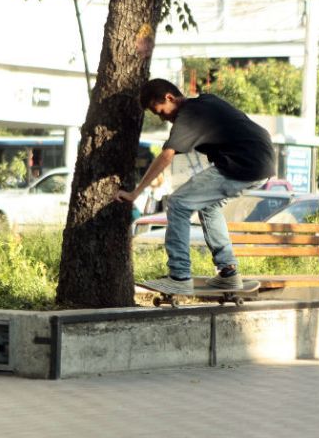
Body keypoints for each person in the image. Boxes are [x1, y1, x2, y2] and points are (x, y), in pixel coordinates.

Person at [115, 78, 275, 294]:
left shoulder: (188, 116)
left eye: (160, 111)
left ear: (170, 98)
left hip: (244, 163)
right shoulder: (206, 102)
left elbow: (166, 155)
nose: (163, 118)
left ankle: (179, 276)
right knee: (209, 206)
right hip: (262, 162)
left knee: (178, 203)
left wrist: (135, 193)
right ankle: (228, 272)